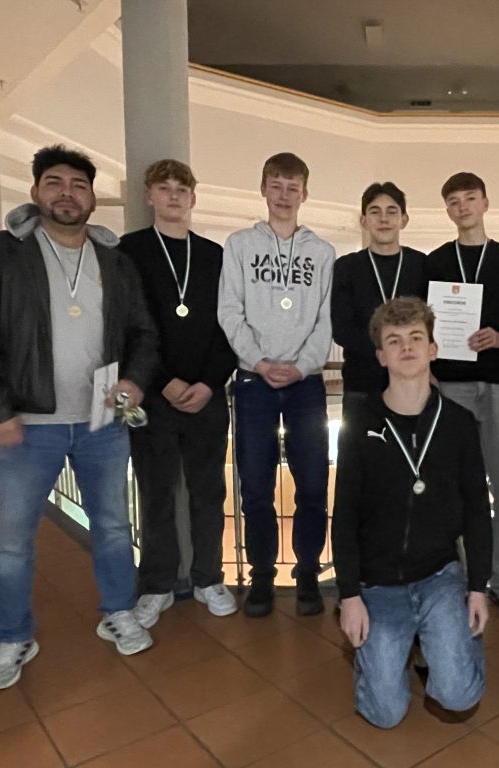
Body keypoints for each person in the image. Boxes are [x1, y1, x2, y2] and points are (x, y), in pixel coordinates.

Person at [0, 144, 160, 690]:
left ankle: (118, 612)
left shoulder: (115, 262)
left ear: (92, 198)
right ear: (36, 192)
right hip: (26, 426)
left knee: (113, 527)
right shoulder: (0, 252)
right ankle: (13, 636)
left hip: (102, 423)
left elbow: (143, 333)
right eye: (55, 182)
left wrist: (135, 382)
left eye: (79, 185)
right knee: (11, 543)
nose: (67, 193)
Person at [333, 297, 491, 729]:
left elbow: (478, 509)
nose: (406, 347)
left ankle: (439, 641)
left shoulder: (459, 423)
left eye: (416, 338)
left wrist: (478, 588)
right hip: (378, 582)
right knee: (384, 714)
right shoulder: (359, 423)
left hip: (439, 576)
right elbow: (344, 515)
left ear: (433, 349)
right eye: (394, 340)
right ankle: (397, 647)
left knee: (458, 695)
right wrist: (349, 596)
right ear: (381, 356)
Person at [118, 159, 238, 628]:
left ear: (193, 198)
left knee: (209, 492)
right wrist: (162, 381)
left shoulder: (214, 255)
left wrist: (210, 382)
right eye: (164, 188)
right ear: (149, 195)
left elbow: (229, 325)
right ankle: (156, 585)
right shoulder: (129, 251)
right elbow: (126, 326)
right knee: (156, 494)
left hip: (207, 396)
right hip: (153, 396)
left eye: (181, 189)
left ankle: (209, 578)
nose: (173, 196)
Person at [218, 152, 334, 618]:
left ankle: (307, 574)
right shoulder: (239, 245)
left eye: (293, 187)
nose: (284, 195)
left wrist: (302, 365)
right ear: (263, 189)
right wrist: (260, 362)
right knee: (255, 485)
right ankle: (262, 576)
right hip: (253, 381)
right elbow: (230, 311)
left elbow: (326, 319)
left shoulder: (322, 252)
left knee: (313, 484)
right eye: (276, 185)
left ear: (305, 193)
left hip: (306, 385)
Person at [425, 171, 499, 621]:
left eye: (470, 198)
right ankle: (459, 578)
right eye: (454, 201)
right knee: (454, 485)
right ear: (447, 210)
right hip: (451, 385)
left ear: (485, 203)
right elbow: (425, 324)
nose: (463, 207)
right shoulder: (435, 262)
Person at [331, 182, 427, 413]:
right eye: (375, 212)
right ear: (364, 221)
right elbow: (341, 328)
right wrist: (388, 349)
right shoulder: (346, 267)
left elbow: (431, 323)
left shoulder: (422, 265)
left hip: (412, 381)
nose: (384, 219)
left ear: (404, 220)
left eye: (392, 211)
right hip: (361, 382)